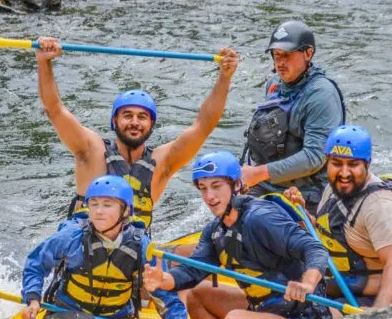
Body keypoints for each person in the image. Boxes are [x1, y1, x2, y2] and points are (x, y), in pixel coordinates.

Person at [35, 37, 240, 230]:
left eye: (142, 117)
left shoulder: (163, 162)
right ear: (114, 121)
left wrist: (225, 77)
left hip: (131, 258)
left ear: (151, 125)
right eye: (127, 115)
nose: (134, 122)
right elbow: (54, 109)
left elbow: (203, 126)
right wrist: (44, 62)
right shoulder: (91, 151)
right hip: (84, 255)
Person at [143, 152, 331, 319]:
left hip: (304, 318)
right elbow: (193, 271)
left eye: (216, 187)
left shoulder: (261, 217)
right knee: (198, 294)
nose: (210, 197)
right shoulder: (216, 230)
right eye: (203, 189)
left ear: (236, 185)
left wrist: (307, 284)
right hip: (264, 309)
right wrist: (164, 279)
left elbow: (314, 248)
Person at [21, 175, 190, 319]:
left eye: (107, 205)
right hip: (68, 314)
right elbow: (36, 264)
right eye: (94, 204)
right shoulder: (72, 236)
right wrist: (33, 299)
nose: (98, 211)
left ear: (125, 211)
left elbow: (165, 295)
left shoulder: (141, 245)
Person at [291, 125, 392, 308]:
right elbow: (327, 233)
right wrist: (302, 214)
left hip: (373, 300)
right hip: (339, 288)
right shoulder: (334, 188)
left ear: (367, 164)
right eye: (337, 164)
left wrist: (377, 317)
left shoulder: (380, 206)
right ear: (327, 163)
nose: (344, 173)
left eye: (353, 165)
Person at [240, 21, 346, 214]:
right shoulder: (274, 84)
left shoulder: (322, 95)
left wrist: (258, 173)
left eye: (287, 55)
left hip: (309, 194)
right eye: (276, 55)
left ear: (308, 53)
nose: (280, 62)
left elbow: (315, 157)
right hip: (267, 185)